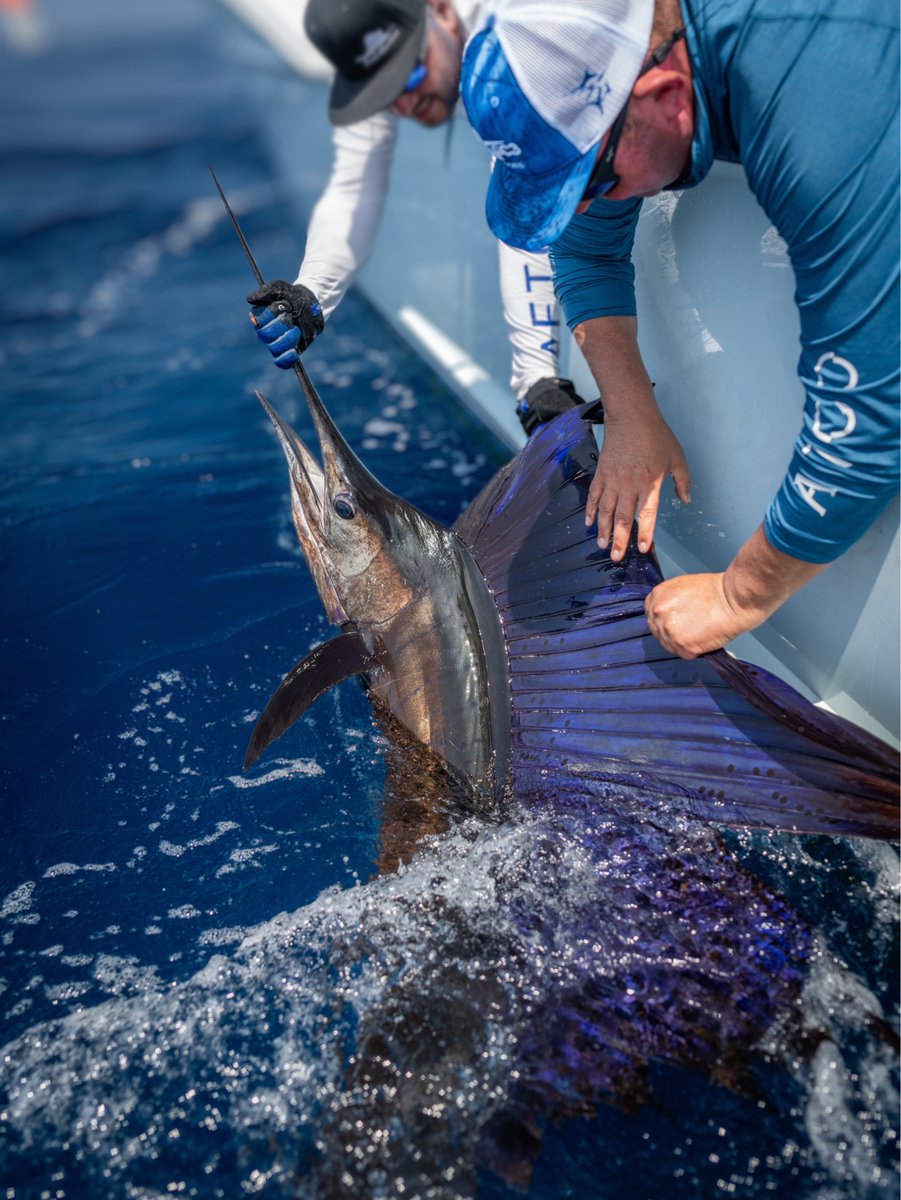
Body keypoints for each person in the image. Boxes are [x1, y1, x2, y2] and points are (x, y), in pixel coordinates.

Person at [459, 0, 899, 659]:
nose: (589, 209)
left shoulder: (825, 109)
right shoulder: (624, 69)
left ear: (666, 97)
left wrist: (737, 597)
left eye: (594, 181)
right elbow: (582, 251)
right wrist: (632, 411)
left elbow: (869, 418)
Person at [247, 0, 586, 437]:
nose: (405, 104)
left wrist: (537, 375)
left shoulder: (516, 31)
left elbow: (528, 204)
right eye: (383, 94)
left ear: (442, 11)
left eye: (412, 73)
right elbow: (355, 189)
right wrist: (309, 294)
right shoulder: (385, 49)